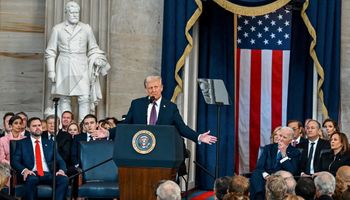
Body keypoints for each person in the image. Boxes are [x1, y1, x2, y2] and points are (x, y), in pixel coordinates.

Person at [45, 1, 110, 122]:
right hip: (64, 65)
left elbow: (93, 47)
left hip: (81, 65)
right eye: (72, 12)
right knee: (64, 98)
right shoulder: (57, 29)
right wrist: (51, 71)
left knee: (85, 97)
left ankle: (84, 127)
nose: (75, 15)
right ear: (66, 13)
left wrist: (97, 58)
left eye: (77, 12)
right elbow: (50, 51)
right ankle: (65, 128)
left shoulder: (86, 28)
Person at [110, 75, 217, 144]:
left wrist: (198, 136)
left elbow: (182, 128)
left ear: (161, 88)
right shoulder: (137, 104)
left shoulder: (171, 107)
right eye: (150, 88)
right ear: (146, 90)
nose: (153, 90)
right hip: (140, 146)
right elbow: (126, 125)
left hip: (162, 148)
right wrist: (108, 133)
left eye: (156, 87)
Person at [11, 117, 68, 200]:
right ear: (28, 128)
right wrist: (25, 170)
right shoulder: (22, 143)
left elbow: (60, 160)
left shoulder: (50, 143)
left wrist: (61, 170)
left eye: (39, 125)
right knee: (32, 179)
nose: (38, 128)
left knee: (64, 179)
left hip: (48, 174)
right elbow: (14, 161)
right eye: (34, 126)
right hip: (32, 173)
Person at [250, 127, 300, 200]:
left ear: (290, 140)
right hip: (266, 177)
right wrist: (267, 176)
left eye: (284, 137)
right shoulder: (268, 148)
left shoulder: (295, 152)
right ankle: (259, 196)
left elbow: (293, 171)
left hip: (281, 178)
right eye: (280, 135)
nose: (280, 139)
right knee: (256, 173)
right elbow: (259, 166)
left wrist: (284, 154)